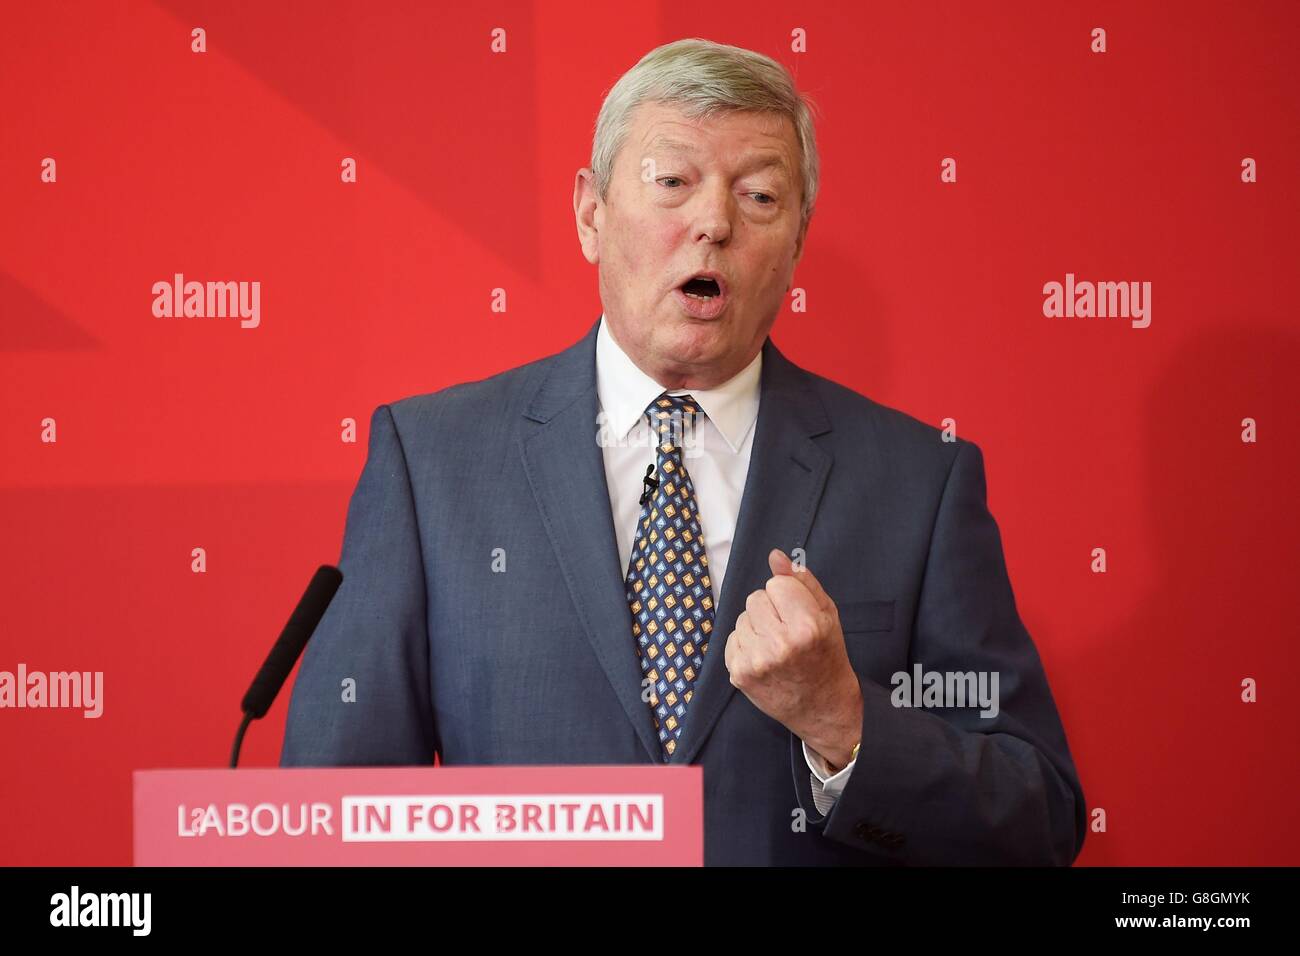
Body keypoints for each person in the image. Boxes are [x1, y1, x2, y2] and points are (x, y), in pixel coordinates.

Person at [281, 37, 1087, 866]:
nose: (714, 223)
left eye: (762, 195)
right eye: (672, 182)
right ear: (591, 212)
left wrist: (844, 719)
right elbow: (333, 811)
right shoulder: (433, 464)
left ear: (799, 240)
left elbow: (1038, 818)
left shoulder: (921, 483)